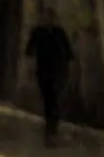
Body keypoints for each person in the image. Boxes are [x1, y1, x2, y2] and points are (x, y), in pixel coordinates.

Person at [25, 8, 75, 146]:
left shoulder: (60, 33)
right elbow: (29, 52)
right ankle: (49, 126)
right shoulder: (38, 32)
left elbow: (69, 53)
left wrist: (68, 72)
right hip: (43, 70)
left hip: (58, 70)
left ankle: (52, 128)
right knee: (48, 98)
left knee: (55, 99)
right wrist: (29, 70)